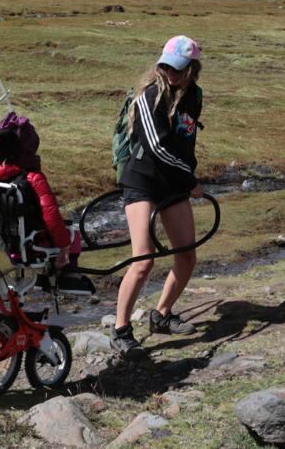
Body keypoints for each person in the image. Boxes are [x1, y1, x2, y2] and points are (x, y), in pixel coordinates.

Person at [111, 35, 204, 359]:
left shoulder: (194, 95)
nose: (170, 74)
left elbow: (185, 142)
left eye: (177, 69)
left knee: (187, 255)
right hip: (142, 180)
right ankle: (121, 330)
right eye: (166, 67)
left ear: (192, 69)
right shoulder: (148, 97)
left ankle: (161, 314)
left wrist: (186, 175)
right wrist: (189, 178)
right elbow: (158, 147)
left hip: (173, 181)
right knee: (143, 260)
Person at [0, 111, 95, 295]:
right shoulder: (33, 178)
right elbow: (51, 216)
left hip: (1, 243)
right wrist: (64, 246)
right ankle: (67, 274)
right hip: (29, 245)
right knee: (71, 232)